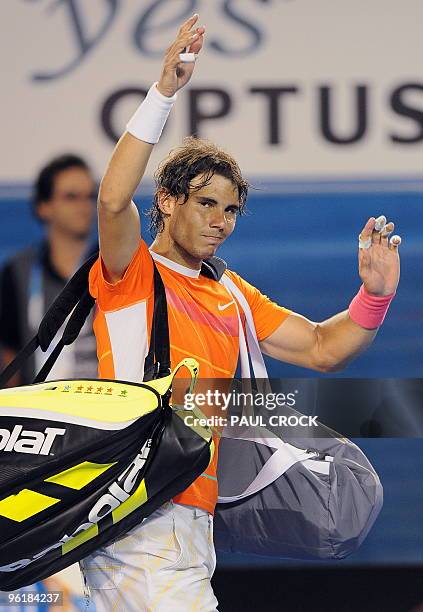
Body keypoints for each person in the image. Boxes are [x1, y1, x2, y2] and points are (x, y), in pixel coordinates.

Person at [80, 13, 401, 611]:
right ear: (168, 202)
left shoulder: (232, 293)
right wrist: (163, 93)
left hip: (187, 518)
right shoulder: (133, 276)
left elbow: (324, 349)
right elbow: (113, 198)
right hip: (144, 513)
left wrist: (374, 296)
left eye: (230, 210)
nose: (219, 221)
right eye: (205, 203)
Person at [0, 154, 98, 384]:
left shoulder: (114, 269)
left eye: (90, 196)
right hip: (38, 412)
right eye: (71, 197)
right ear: (44, 206)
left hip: (103, 412)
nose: (84, 206)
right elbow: (9, 355)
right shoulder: (18, 272)